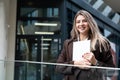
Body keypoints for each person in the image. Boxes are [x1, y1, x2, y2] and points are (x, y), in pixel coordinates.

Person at [55, 10, 115, 80]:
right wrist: (75, 63)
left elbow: (111, 71)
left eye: (84, 21)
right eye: (78, 22)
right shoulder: (68, 44)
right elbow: (58, 67)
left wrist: (95, 62)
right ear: (75, 25)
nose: (81, 24)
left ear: (90, 23)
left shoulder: (102, 43)